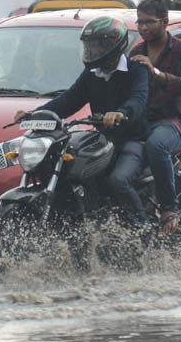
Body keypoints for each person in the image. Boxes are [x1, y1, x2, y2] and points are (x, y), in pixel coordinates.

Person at [13, 14, 150, 228]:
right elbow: (68, 100)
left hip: (132, 140)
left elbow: (138, 100)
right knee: (74, 171)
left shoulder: (136, 70)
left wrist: (121, 113)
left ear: (114, 46)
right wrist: (34, 114)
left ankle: (143, 230)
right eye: (89, 46)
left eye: (98, 47)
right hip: (104, 140)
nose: (92, 52)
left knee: (118, 181)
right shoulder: (91, 73)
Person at [127, 0, 181, 237]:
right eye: (139, 22)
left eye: (149, 22)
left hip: (171, 122)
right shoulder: (135, 51)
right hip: (142, 122)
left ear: (165, 22)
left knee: (156, 146)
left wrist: (155, 73)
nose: (143, 27)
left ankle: (169, 209)